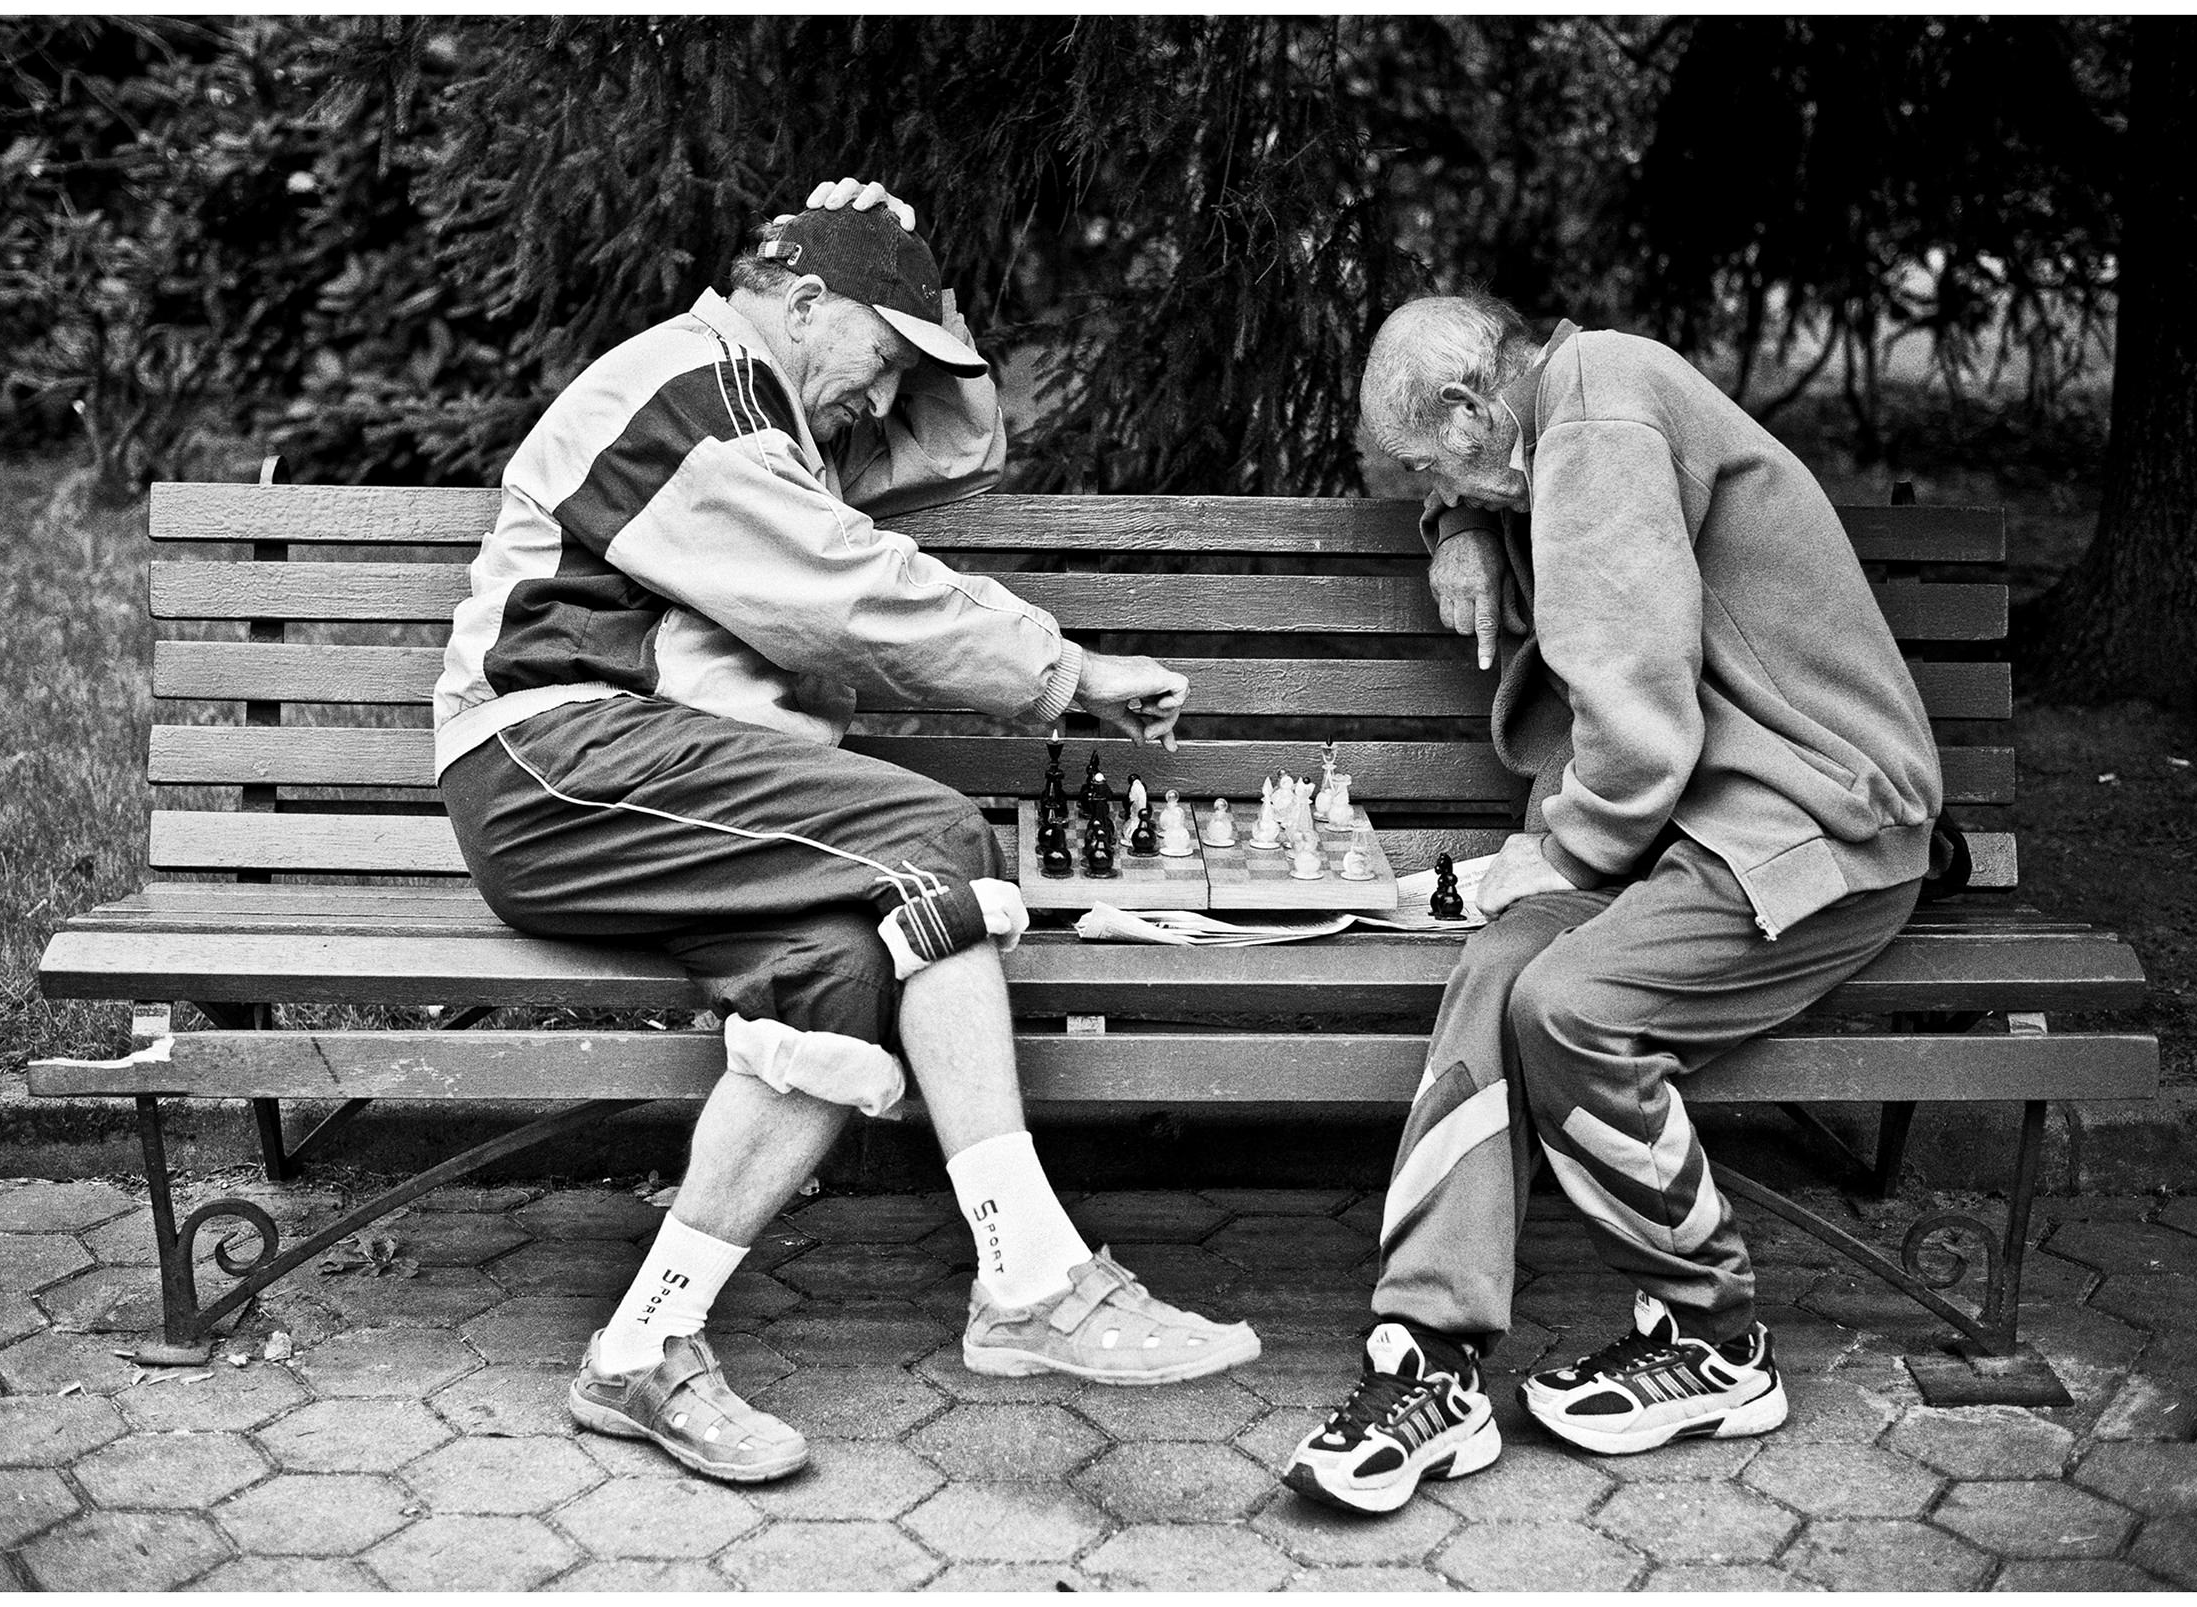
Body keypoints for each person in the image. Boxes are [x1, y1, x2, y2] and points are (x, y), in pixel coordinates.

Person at [433, 178, 1260, 1486]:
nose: (884, 402)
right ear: (802, 304)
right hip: (556, 761)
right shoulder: (691, 393)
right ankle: (1034, 1272)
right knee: (936, 839)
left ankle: (642, 1348)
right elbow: (855, 593)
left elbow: (956, 442)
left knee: (842, 963)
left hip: (641, 781)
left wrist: (910, 274)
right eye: (881, 360)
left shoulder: (780, 415)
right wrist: (1068, 672)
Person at [1283, 294, 1945, 1514]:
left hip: (1815, 826)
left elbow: (1639, 704)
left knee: (1569, 1004)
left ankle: (1715, 1337)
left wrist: (1568, 854)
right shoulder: (1558, 408)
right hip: (1694, 825)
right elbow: (1502, 483)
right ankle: (1428, 1356)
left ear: (1475, 410)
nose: (1453, 491)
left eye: (1438, 470)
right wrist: (1453, 521)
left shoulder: (1598, 413)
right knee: (1497, 966)